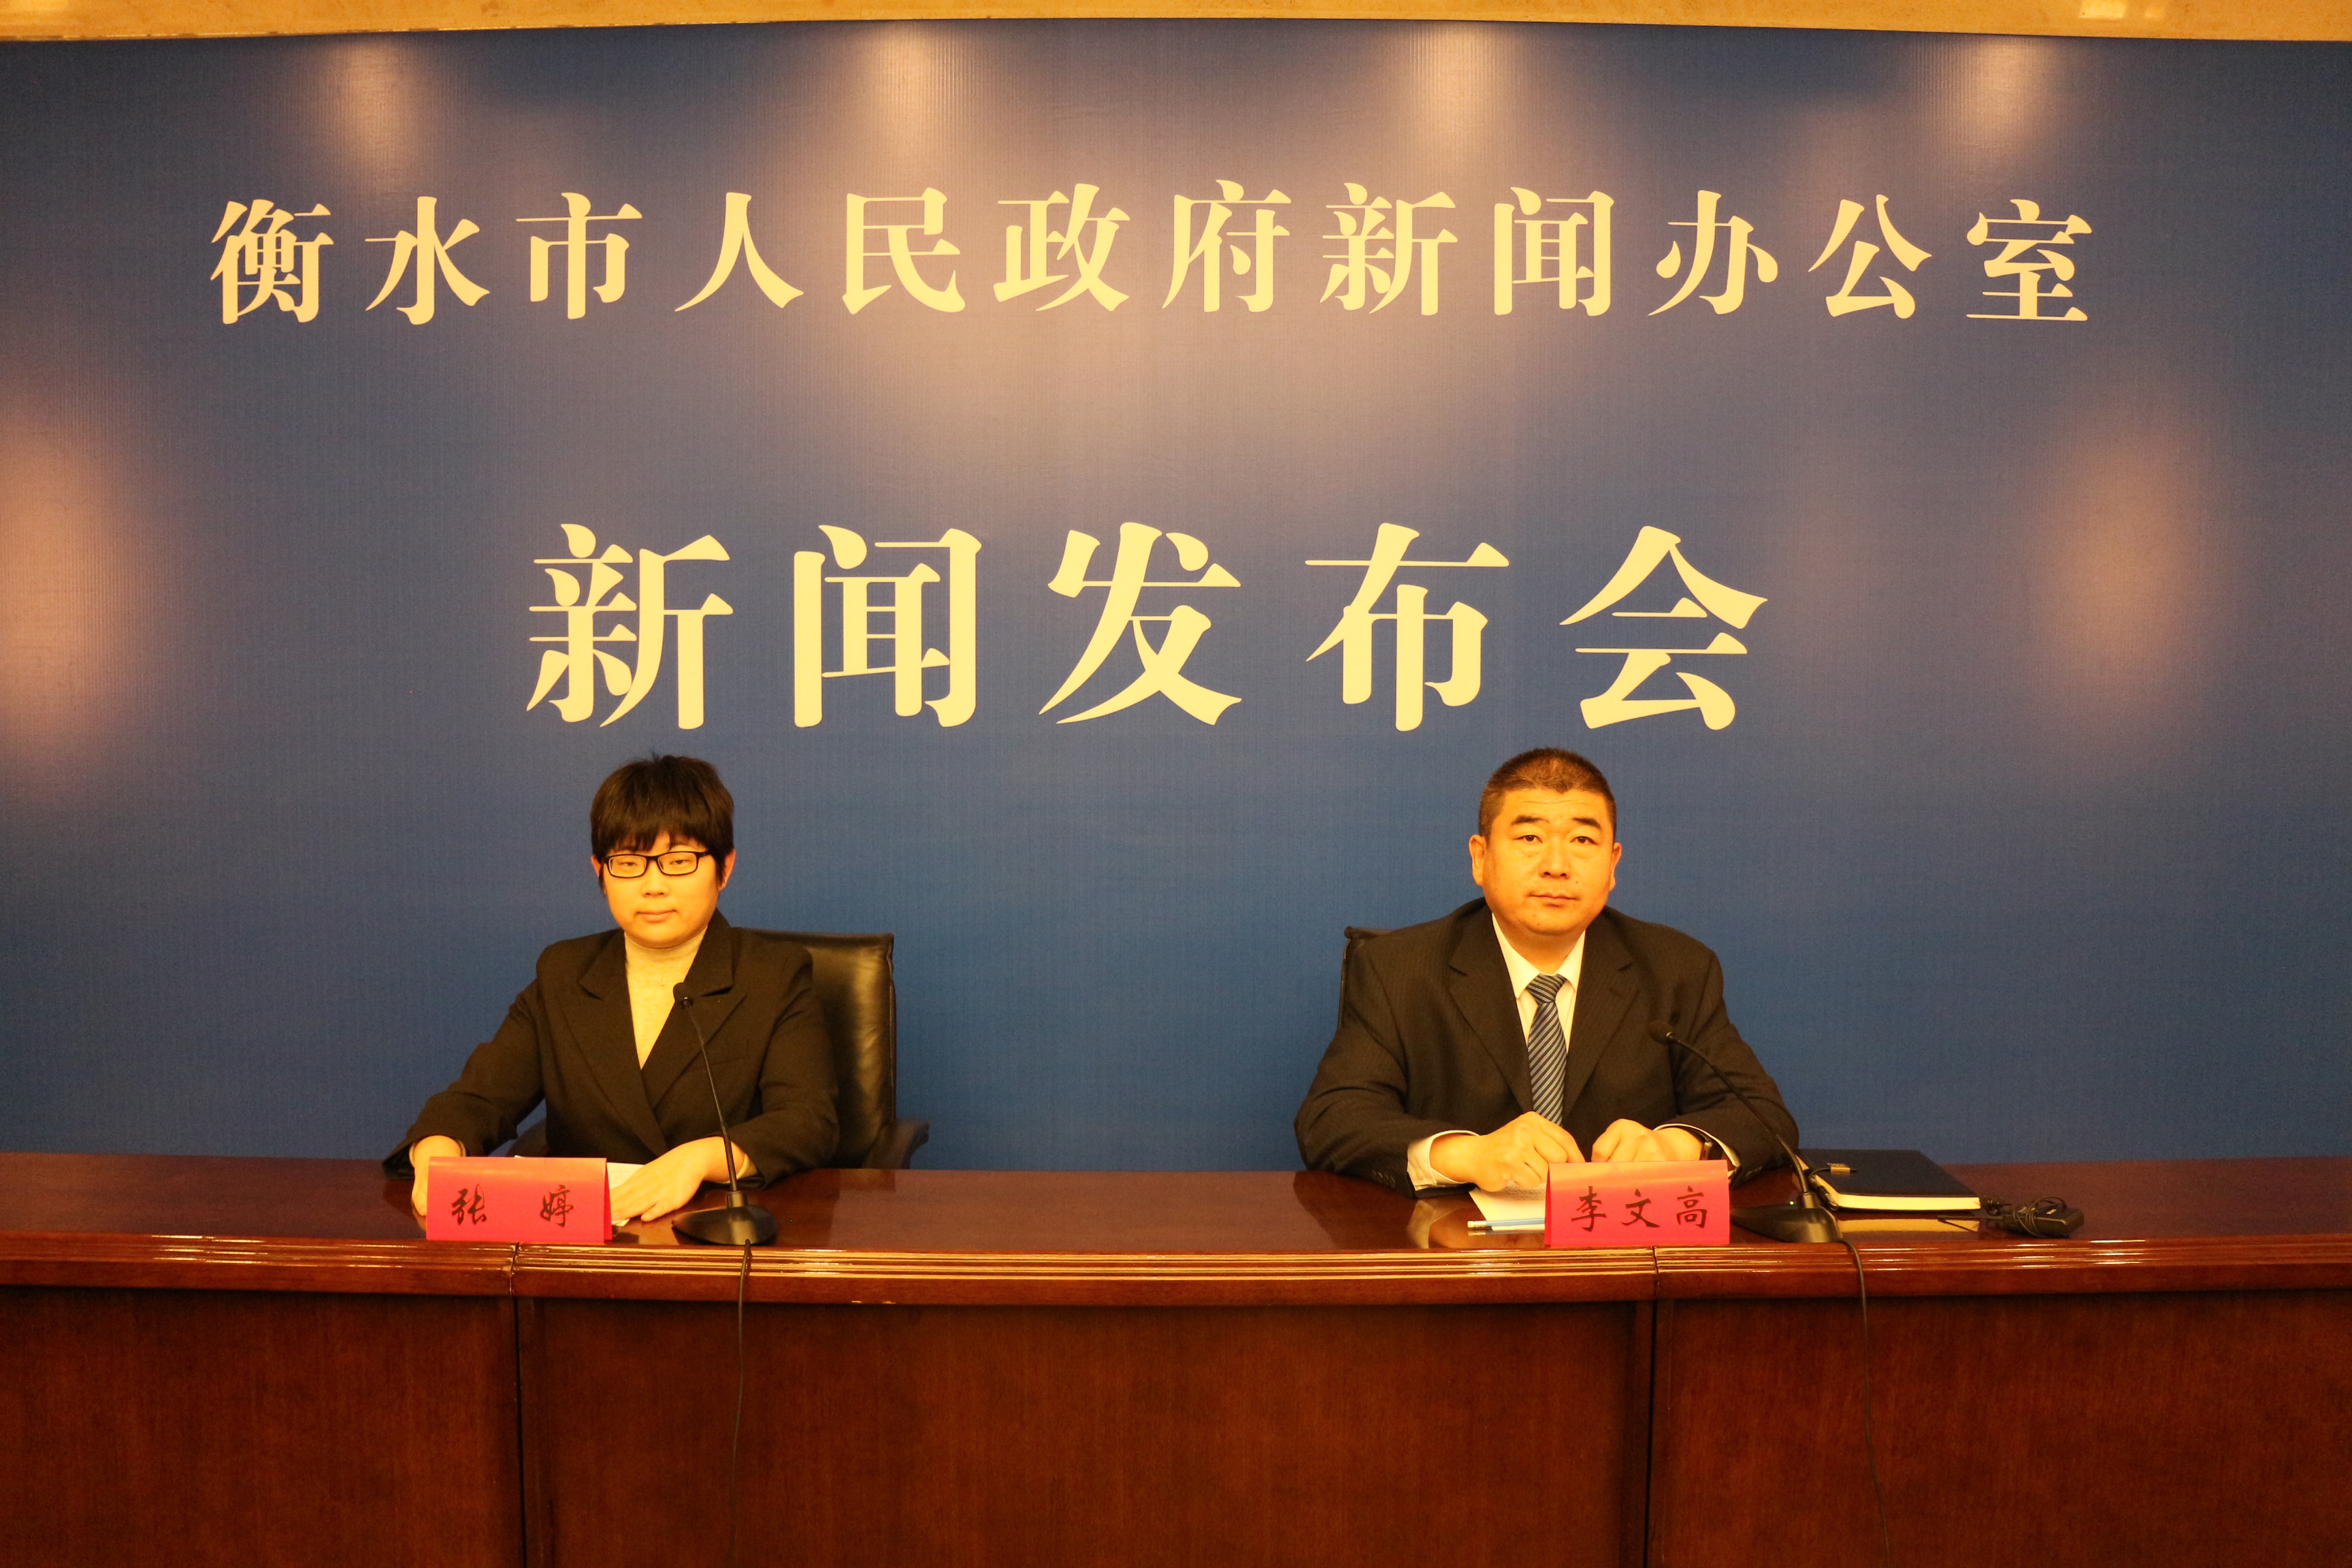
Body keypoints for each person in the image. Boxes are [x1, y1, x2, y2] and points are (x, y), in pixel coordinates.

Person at [1295, 748, 1796, 1195]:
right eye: (1530, 837)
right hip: (1459, 1247)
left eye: (1582, 840)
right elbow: (1333, 1119)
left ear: (1613, 863)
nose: (1557, 865)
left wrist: (1676, 1146)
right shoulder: (1399, 969)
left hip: (1622, 1246)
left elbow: (1762, 1116)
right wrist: (1469, 1154)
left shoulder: (1676, 967)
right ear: (1480, 857)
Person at [386, 755, 838, 1224]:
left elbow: (808, 1121)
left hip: (712, 1231)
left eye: (679, 861)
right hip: (584, 1236)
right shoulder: (565, 972)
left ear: (725, 868)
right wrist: (439, 1147)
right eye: (628, 863)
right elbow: (480, 1098)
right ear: (599, 871)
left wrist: (705, 1157)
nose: (653, 886)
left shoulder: (772, 975)